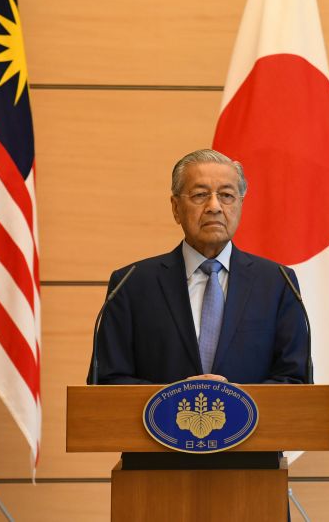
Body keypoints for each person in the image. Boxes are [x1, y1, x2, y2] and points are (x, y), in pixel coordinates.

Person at [88, 148, 309, 386]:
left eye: (226, 195)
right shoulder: (131, 284)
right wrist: (176, 397)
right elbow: (106, 381)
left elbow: (295, 380)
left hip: (254, 424)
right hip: (154, 423)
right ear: (175, 208)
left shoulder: (277, 283)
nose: (214, 207)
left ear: (240, 205)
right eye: (200, 195)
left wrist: (234, 401)